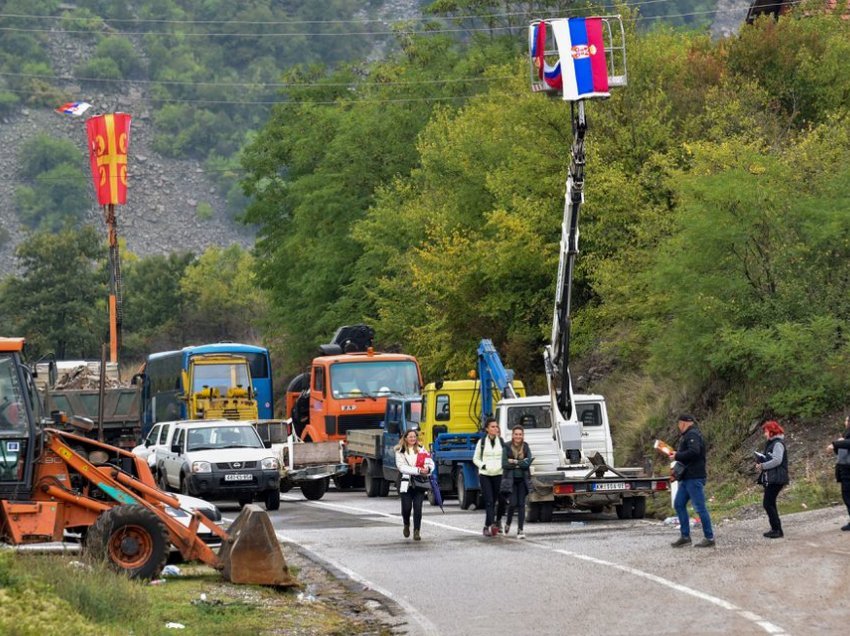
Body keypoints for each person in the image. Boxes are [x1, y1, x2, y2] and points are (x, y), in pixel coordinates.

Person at [670, 414, 716, 548]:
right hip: (686, 477)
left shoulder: (692, 435)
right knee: (679, 504)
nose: (678, 427)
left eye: (679, 424)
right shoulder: (688, 435)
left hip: (694, 477)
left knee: (700, 508)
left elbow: (694, 452)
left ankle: (709, 537)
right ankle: (685, 536)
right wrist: (677, 457)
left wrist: (677, 455)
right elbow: (688, 455)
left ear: (684, 423)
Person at [395, 429, 433, 541]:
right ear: (405, 438)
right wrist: (418, 470)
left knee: (418, 507)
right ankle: (406, 524)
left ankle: (417, 531)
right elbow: (401, 467)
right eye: (410, 437)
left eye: (414, 437)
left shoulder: (422, 450)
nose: (412, 439)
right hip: (405, 482)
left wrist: (428, 469)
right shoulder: (400, 451)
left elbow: (430, 462)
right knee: (406, 508)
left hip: (419, 482)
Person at [755, 420, 789, 538]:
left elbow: (777, 460)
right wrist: (761, 461)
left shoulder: (778, 443)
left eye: (766, 431)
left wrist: (763, 465)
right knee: (770, 503)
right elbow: (771, 458)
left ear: (771, 432)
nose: (764, 434)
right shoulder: (772, 443)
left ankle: (777, 530)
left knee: (768, 503)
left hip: (777, 478)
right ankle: (775, 528)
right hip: (773, 477)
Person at [473, 417, 504, 536]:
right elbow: (475, 458)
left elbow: (505, 457)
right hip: (485, 475)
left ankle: (498, 520)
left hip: (499, 474)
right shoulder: (481, 442)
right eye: (492, 426)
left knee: (501, 500)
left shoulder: (501, 441)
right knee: (489, 502)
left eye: (496, 426)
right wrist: (483, 465)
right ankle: (488, 526)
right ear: (487, 429)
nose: (495, 428)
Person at [502, 425, 533, 539]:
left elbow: (528, 462)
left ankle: (520, 530)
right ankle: (508, 523)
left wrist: (514, 462)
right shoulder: (506, 446)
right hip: (511, 480)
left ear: (523, 435)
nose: (518, 436)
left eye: (520, 434)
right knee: (512, 504)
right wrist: (520, 462)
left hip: (523, 480)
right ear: (512, 435)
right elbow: (504, 464)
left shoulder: (526, 447)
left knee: (521, 505)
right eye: (516, 434)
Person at [827, 416, 850, 531]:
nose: (845, 422)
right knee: (846, 496)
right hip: (844, 469)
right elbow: (841, 451)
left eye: (846, 420)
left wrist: (836, 444)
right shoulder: (845, 434)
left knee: (847, 496)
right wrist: (837, 446)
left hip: (848, 469)